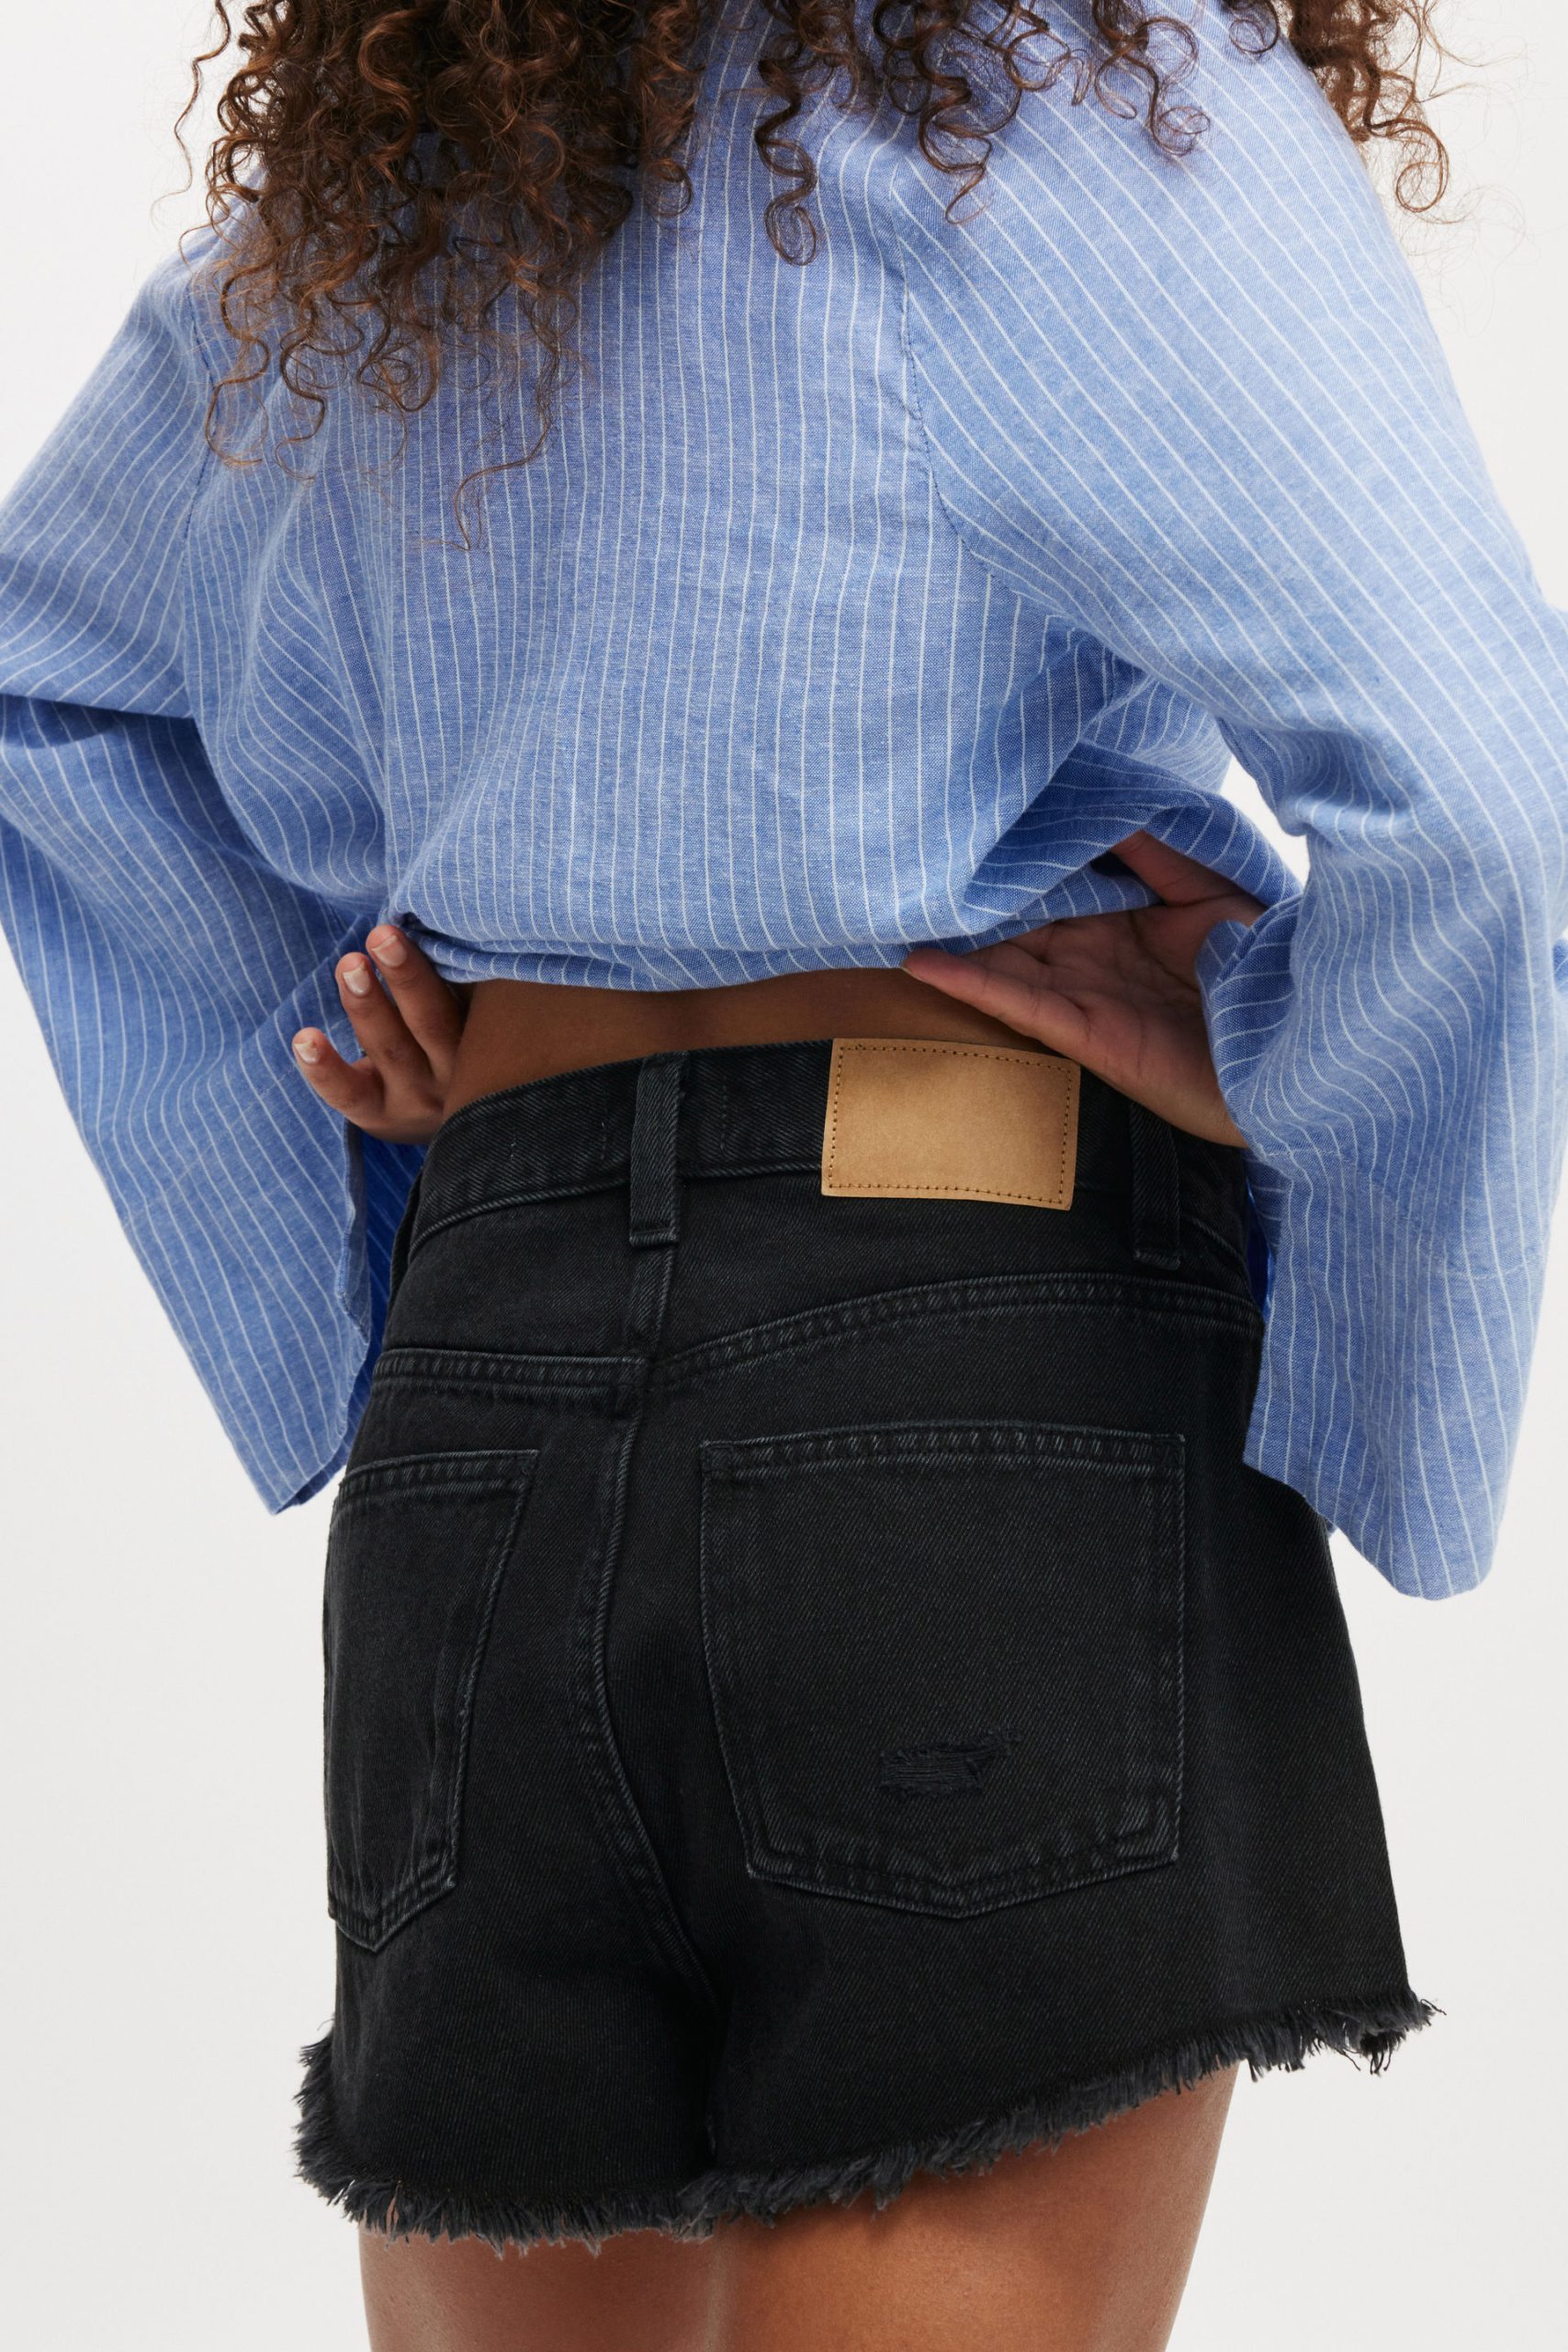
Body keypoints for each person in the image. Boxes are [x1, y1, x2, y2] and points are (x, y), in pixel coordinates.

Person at [2, 2, 1563, 2346]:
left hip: (486, 1396)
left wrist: (376, 1085)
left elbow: (54, 674)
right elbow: (1480, 799)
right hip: (973, 1343)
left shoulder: (400, 185)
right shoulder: (1065, 102)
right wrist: (1273, 1066)